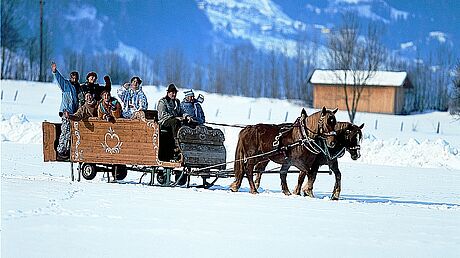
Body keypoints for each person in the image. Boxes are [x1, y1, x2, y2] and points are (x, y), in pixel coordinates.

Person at [51, 61, 80, 160]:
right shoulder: (66, 85)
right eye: (73, 77)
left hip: (74, 114)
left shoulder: (78, 88)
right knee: (65, 132)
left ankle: (67, 151)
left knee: (71, 133)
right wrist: (55, 71)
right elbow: (59, 80)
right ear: (70, 77)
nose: (74, 79)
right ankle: (60, 151)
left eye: (76, 78)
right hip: (66, 112)